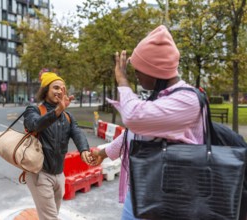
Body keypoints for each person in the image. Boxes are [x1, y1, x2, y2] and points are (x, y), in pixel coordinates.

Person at [91, 25, 204, 219]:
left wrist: (122, 81)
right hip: (142, 191)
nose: (135, 74)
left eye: (138, 70)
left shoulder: (188, 100)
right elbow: (135, 133)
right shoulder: (160, 96)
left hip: (169, 201)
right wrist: (104, 153)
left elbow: (134, 118)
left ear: (155, 71)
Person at [23, 72, 93, 220]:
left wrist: (84, 149)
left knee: (51, 214)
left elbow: (77, 132)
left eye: (63, 88)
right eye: (55, 88)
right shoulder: (33, 110)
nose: (60, 91)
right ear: (46, 90)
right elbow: (34, 125)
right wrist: (57, 111)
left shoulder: (67, 116)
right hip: (39, 174)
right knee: (51, 217)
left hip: (59, 175)